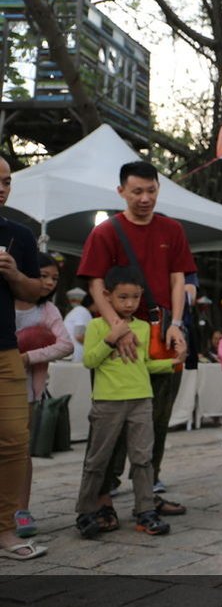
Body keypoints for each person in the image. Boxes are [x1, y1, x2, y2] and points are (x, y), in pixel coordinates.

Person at [77, 160, 194, 517]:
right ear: (121, 192)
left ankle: (149, 490)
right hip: (116, 340)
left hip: (160, 333)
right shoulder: (106, 232)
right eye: (137, 191)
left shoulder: (172, 229)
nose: (145, 198)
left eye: (151, 190)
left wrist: (176, 323)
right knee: (110, 421)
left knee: (156, 419)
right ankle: (102, 497)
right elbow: (95, 283)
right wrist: (117, 327)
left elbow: (179, 280)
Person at [75, 265, 185, 539]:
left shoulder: (144, 328)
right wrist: (110, 340)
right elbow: (89, 361)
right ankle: (86, 511)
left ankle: (145, 511)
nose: (129, 303)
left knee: (142, 459)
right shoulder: (96, 326)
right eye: (122, 297)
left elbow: (145, 364)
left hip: (141, 401)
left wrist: (172, 363)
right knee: (97, 460)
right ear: (107, 296)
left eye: (135, 297)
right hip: (107, 403)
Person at [0, 156, 45, 561]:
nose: (1, 187)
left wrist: (14, 275)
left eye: (7, 181)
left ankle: (6, 530)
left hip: (5, 350)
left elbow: (35, 293)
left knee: (15, 439)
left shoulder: (20, 236)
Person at [14, 253, 73, 539]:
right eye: (43, 275)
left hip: (25, 391)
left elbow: (66, 345)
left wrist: (28, 357)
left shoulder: (48, 311)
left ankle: (21, 509)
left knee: (21, 450)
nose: (49, 282)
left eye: (54, 278)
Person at [64, 290, 97, 363]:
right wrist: (96, 345)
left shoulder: (79, 310)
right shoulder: (82, 311)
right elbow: (79, 335)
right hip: (75, 353)